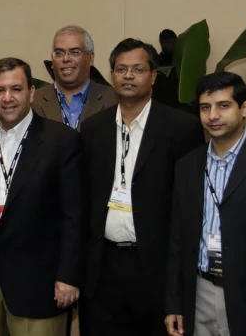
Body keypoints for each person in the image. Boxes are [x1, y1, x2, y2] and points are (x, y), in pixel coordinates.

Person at [79, 38, 203, 336]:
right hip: (102, 269)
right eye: (121, 69)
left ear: (153, 76)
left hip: (154, 270)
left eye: (137, 69)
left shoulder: (182, 128)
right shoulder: (94, 128)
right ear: (112, 76)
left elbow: (188, 207)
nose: (128, 76)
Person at [0, 57, 87, 335]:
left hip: (40, 288)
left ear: (32, 92)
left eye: (16, 89)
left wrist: (68, 276)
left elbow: (74, 217)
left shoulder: (62, 141)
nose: (7, 98)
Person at [163, 72, 246, 336]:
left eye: (223, 106)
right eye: (205, 107)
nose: (213, 116)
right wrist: (174, 302)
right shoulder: (187, 165)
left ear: (244, 109)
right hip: (200, 291)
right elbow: (177, 240)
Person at [31, 25, 117, 130]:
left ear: (91, 58)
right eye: (59, 53)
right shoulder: (33, 101)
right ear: (52, 59)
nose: (66, 58)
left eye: (75, 52)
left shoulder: (114, 99)